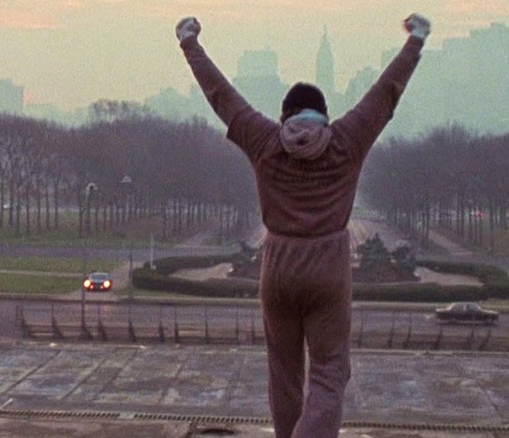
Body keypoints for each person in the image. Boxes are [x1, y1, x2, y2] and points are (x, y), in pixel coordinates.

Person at [176, 13, 430, 438]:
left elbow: (221, 96)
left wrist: (190, 44)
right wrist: (414, 42)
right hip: (328, 269)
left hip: (278, 267)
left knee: (283, 373)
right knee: (330, 373)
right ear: (324, 115)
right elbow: (385, 94)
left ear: (286, 116)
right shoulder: (346, 141)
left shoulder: (264, 140)